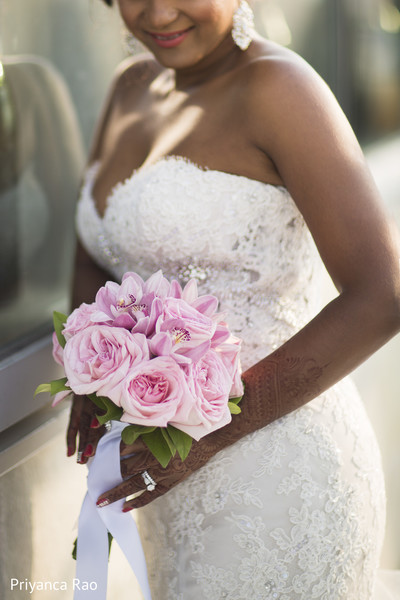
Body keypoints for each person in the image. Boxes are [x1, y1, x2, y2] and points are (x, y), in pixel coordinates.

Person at [67, 0, 400, 598]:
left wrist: (204, 436)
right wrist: (90, 373)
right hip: (163, 477)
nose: (158, 12)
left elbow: (383, 296)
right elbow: (95, 244)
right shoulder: (129, 87)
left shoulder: (280, 88)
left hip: (275, 474)